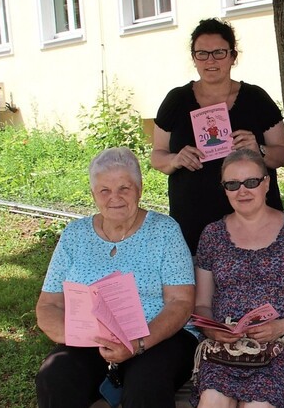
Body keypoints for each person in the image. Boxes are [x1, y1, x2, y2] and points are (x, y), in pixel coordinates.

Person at [35, 147, 197, 408]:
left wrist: (137, 344)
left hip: (157, 338)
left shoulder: (165, 231)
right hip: (93, 341)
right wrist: (78, 336)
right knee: (55, 376)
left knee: (146, 382)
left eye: (124, 188)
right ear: (93, 195)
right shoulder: (74, 235)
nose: (115, 198)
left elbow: (180, 302)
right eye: (105, 191)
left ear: (140, 188)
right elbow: (49, 304)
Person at [192, 149, 284, 408]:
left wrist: (280, 327)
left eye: (251, 182)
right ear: (224, 189)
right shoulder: (212, 235)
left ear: (267, 183)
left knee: (259, 404)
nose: (243, 191)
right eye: (232, 184)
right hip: (226, 348)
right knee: (212, 400)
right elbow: (202, 304)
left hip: (282, 345)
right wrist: (212, 329)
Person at [152, 18, 284, 255]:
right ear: (194, 58)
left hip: (253, 221)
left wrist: (260, 151)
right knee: (200, 291)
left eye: (218, 52)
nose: (211, 60)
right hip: (193, 222)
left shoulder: (256, 98)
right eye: (202, 54)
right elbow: (157, 156)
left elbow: (283, 153)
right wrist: (175, 159)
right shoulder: (176, 100)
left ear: (233, 56)